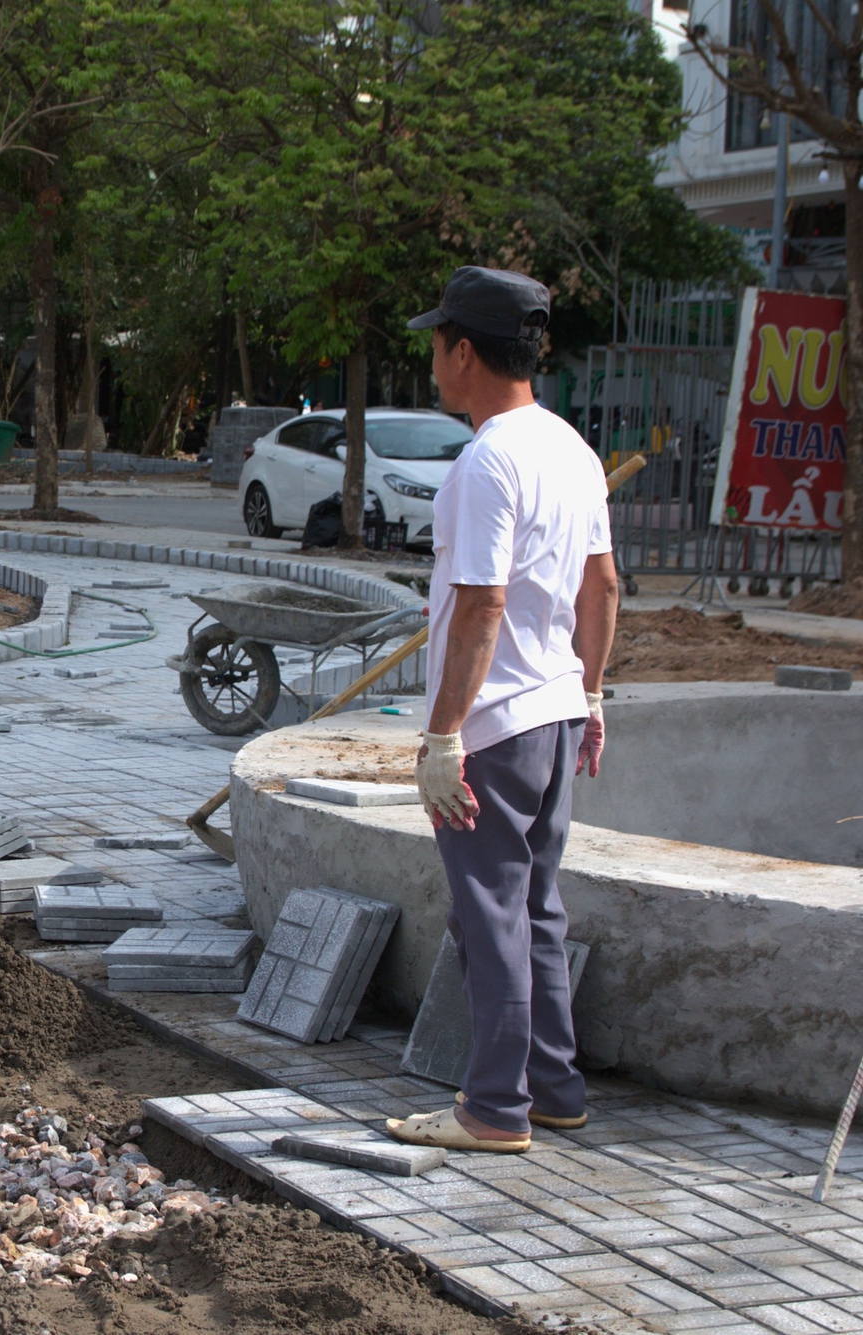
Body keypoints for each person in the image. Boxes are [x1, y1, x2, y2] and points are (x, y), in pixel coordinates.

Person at [385, 266, 621, 1154]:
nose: (434, 359)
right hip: (556, 711)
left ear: (466, 353)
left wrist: (444, 733)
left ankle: (492, 1107)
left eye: (439, 343)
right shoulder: (570, 447)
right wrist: (590, 689)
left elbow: (481, 606)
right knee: (537, 907)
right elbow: (602, 587)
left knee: (490, 913)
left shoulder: (488, 461)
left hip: (500, 722)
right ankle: (555, 1088)